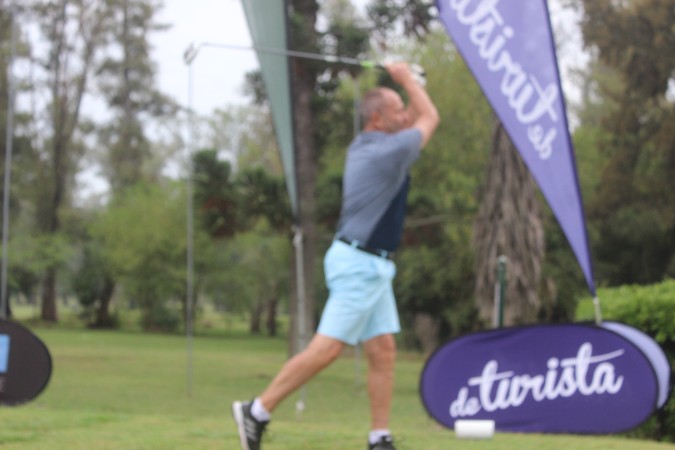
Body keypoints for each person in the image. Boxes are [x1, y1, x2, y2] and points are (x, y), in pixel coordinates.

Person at [232, 61, 440, 450]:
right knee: (328, 348)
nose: (405, 116)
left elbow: (414, 116)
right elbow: (430, 117)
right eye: (397, 111)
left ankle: (379, 437)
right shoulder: (386, 152)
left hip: (372, 264)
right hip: (359, 265)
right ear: (377, 119)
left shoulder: (374, 144)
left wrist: (407, 87)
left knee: (382, 350)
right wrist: (406, 79)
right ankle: (256, 411)